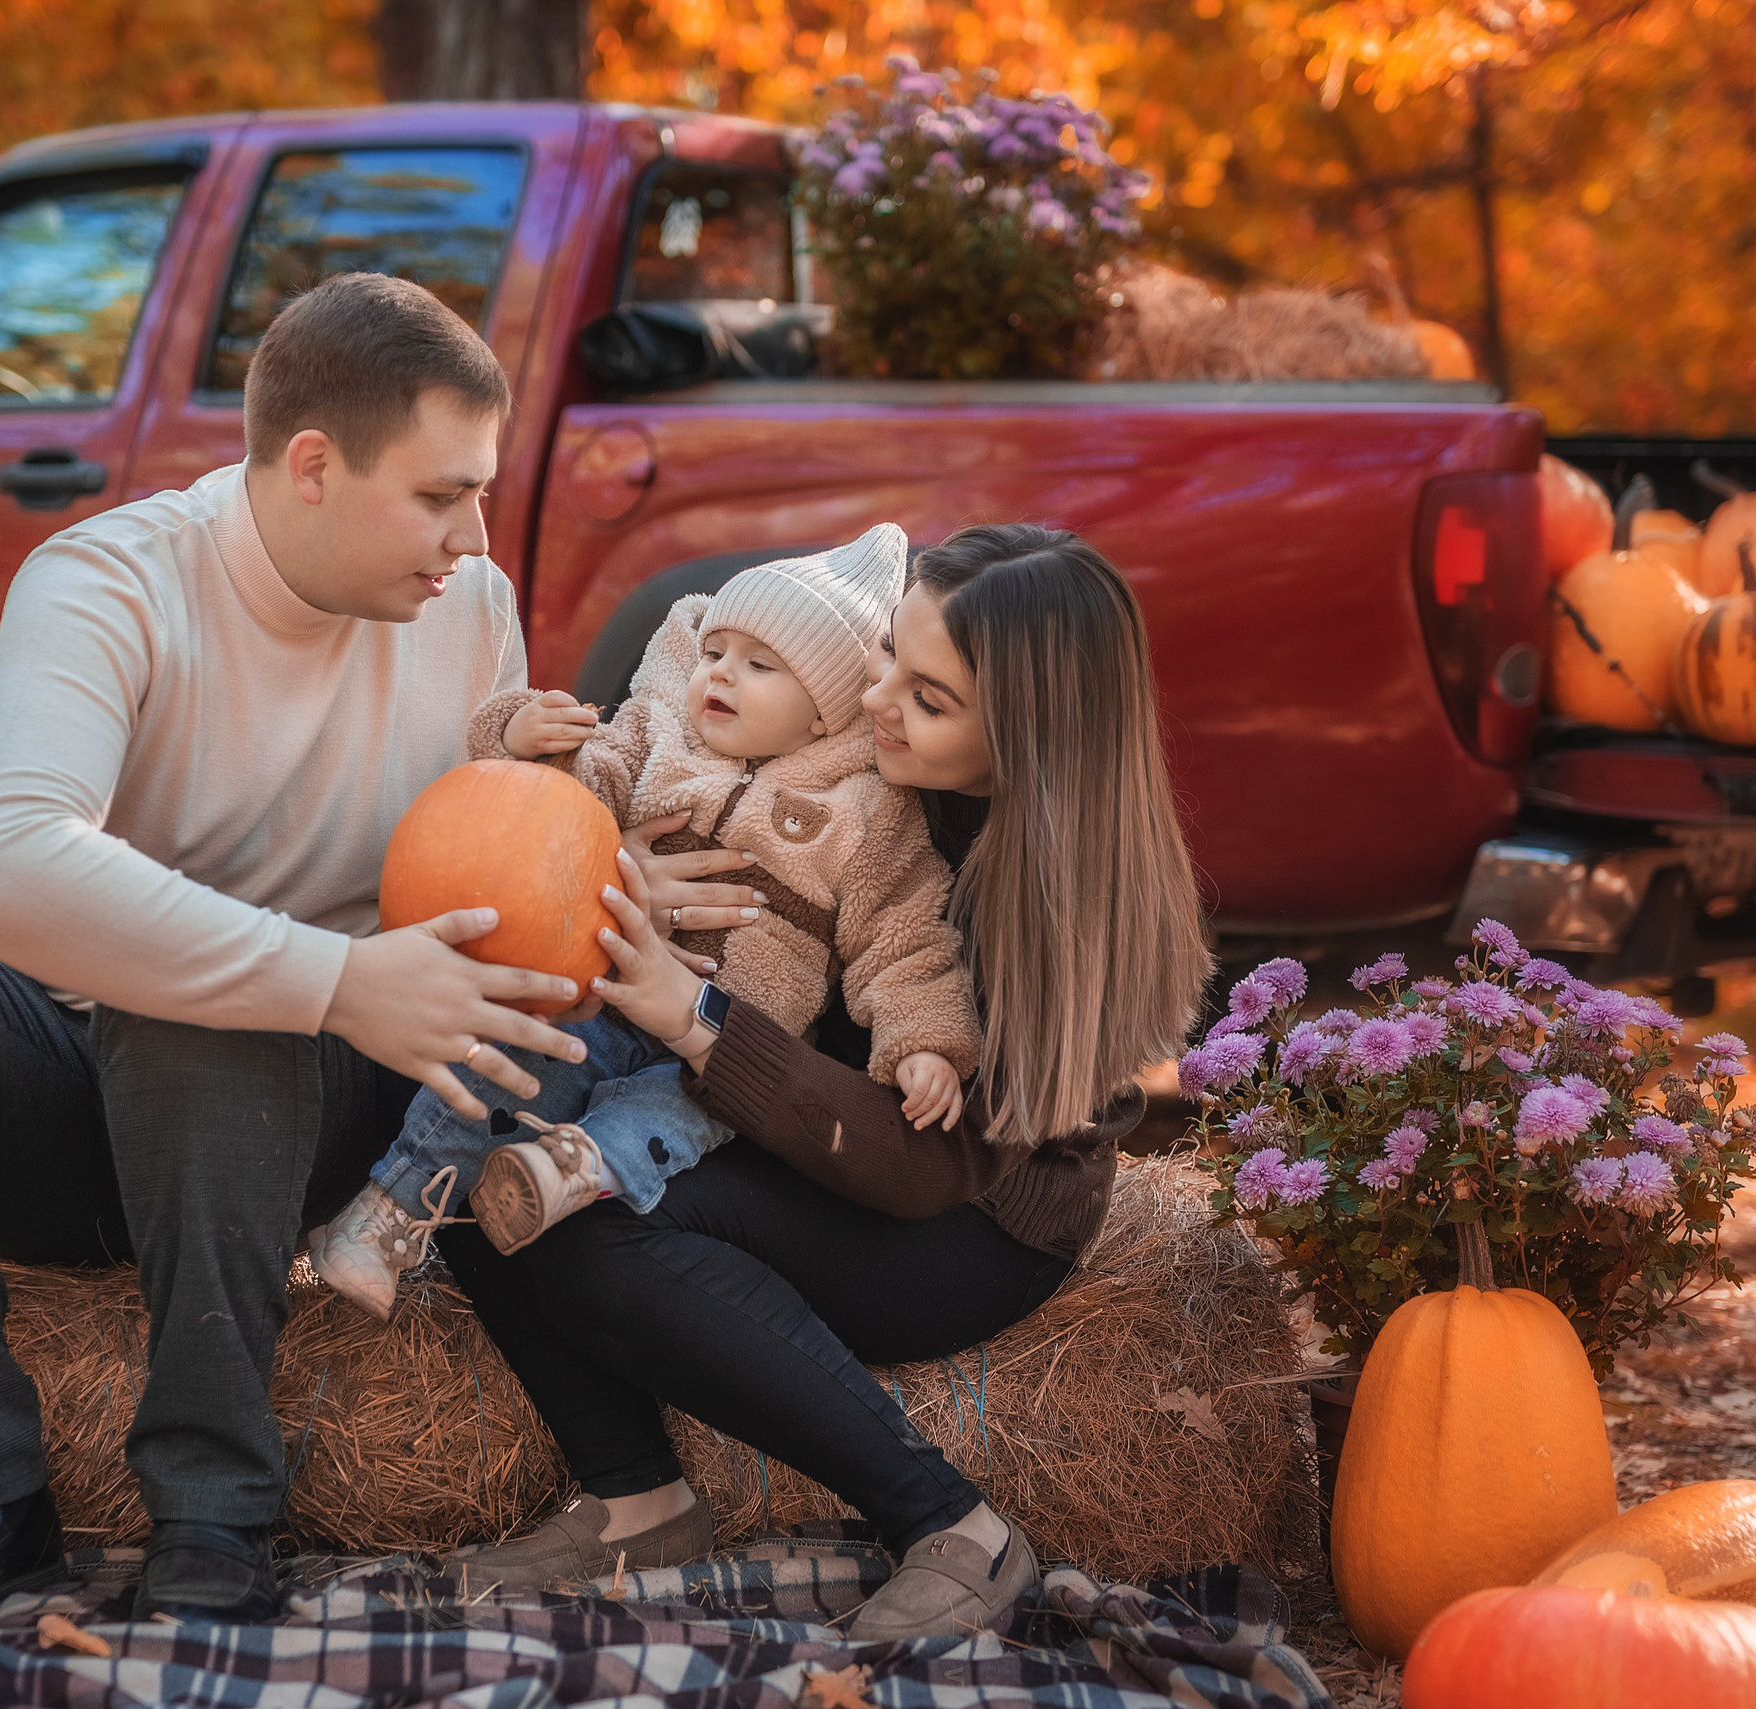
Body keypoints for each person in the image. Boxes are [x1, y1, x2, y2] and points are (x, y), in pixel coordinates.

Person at [0, 274, 596, 1631]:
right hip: (82, 1111)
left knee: (199, 1017)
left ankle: (214, 1509)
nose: (470, 536)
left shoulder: (470, 611)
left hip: (307, 1122)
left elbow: (512, 869)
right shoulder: (109, 581)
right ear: (312, 464)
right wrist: (332, 971)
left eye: (478, 493)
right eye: (440, 494)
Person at [437, 524, 1213, 1643]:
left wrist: (690, 1015)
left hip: (956, 1211)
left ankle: (954, 1523)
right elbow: (644, 746)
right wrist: (613, 873)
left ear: (1029, 739)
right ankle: (632, 1494)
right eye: (889, 652)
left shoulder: (1050, 899)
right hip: (760, 1115)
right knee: (488, 1133)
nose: (878, 697)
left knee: (593, 1219)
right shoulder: (846, 733)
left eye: (930, 698)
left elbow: (920, 1165)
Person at [308, 523, 980, 1317]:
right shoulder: (657, 736)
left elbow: (903, 938)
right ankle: (387, 1215)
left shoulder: (866, 815)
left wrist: (925, 1044)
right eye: (714, 652)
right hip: (605, 990)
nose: (720, 673)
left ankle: (568, 1172)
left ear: (823, 716)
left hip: (720, 1046)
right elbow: (564, 799)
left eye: (760, 665)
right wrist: (521, 734)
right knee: (510, 1065)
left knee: (675, 1117)